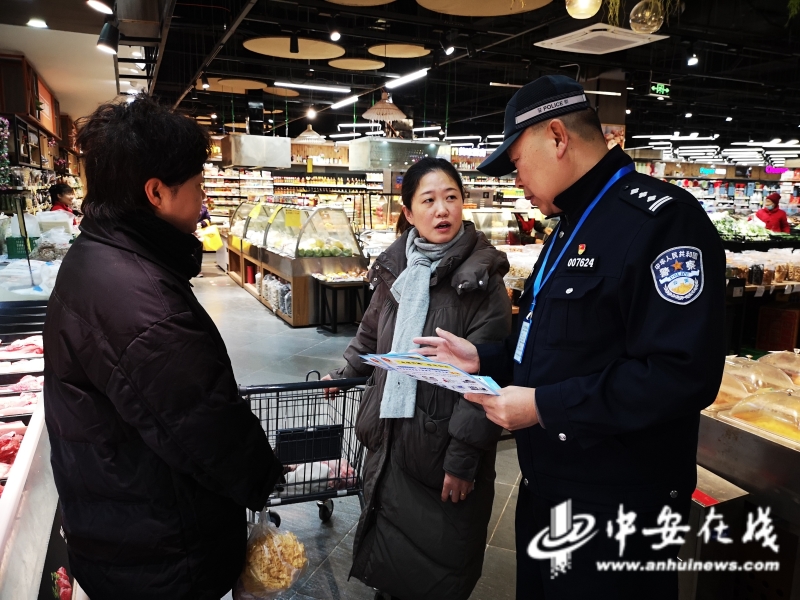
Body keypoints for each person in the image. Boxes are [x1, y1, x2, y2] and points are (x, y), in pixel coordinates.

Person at [414, 76, 726, 600]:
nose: (517, 180)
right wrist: (483, 358)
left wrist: (543, 407)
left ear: (557, 137)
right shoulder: (568, 223)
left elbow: (681, 374)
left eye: (518, 162)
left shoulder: (662, 222)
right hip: (548, 491)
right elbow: (553, 344)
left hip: (619, 509)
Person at [43, 97, 283, 600]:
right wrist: (263, 477)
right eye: (197, 185)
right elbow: (203, 424)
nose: (203, 199)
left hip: (118, 524)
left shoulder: (95, 254)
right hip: (162, 548)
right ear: (156, 192)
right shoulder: (145, 304)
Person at [324, 157, 512, 600]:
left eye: (451, 197)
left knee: (437, 558)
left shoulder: (482, 281)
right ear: (408, 212)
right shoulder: (396, 269)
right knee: (392, 546)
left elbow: (484, 380)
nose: (442, 210)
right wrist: (346, 372)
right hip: (391, 433)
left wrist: (462, 461)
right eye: (428, 200)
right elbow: (372, 332)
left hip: (440, 445)